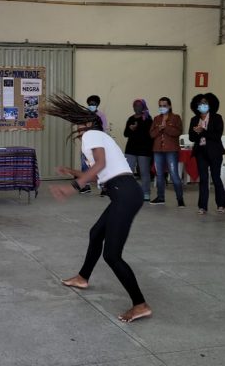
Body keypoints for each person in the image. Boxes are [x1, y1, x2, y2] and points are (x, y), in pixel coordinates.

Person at [44, 94, 151, 323]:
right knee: (96, 233)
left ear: (85, 122)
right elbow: (100, 174)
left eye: (76, 122)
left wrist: (72, 188)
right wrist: (73, 172)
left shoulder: (91, 135)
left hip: (124, 193)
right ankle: (83, 277)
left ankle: (140, 304)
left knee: (112, 255)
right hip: (125, 191)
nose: (75, 126)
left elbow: (100, 166)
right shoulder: (99, 136)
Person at [188, 93, 225, 215]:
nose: (202, 105)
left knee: (216, 178)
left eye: (205, 103)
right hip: (201, 152)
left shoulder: (217, 118)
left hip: (215, 152)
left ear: (211, 105)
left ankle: (221, 205)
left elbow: (217, 136)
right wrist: (197, 133)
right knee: (203, 179)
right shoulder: (194, 119)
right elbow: (191, 137)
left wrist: (203, 131)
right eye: (200, 103)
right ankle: (202, 206)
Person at [149, 97, 185, 207]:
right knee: (159, 174)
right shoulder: (156, 119)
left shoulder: (176, 117)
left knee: (174, 174)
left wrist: (165, 128)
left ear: (169, 106)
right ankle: (160, 198)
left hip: (171, 150)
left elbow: (178, 132)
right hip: (158, 150)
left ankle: (180, 199)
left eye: (164, 105)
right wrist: (159, 129)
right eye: (160, 105)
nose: (162, 108)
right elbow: (151, 134)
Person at [123, 99, 153, 201]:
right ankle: (129, 191)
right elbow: (125, 134)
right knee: (128, 171)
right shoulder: (130, 118)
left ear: (143, 107)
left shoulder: (148, 119)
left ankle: (146, 193)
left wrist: (137, 129)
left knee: (144, 172)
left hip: (144, 149)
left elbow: (150, 135)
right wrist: (131, 129)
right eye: (135, 105)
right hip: (131, 149)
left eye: (139, 105)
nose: (137, 107)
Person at [79, 95, 109, 195]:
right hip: (87, 143)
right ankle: (85, 186)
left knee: (101, 165)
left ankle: (104, 187)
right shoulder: (84, 115)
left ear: (97, 105)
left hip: (98, 144)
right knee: (85, 165)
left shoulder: (101, 115)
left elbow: (103, 130)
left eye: (93, 104)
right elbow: (81, 128)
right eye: (90, 104)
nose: (91, 106)